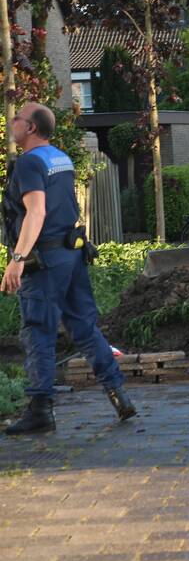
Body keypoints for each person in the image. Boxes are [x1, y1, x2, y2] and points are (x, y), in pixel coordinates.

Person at [1, 102, 136, 434]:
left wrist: (17, 260)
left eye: (17, 118)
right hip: (70, 254)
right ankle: (117, 393)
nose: (11, 122)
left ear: (30, 127)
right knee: (83, 326)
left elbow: (36, 212)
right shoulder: (59, 158)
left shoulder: (30, 162)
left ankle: (40, 410)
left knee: (38, 332)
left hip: (44, 261)